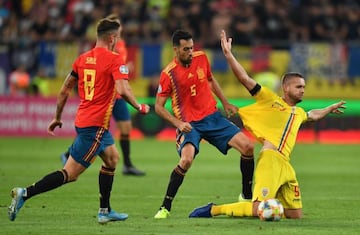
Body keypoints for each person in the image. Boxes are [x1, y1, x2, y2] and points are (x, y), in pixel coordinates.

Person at [188, 30, 346, 219]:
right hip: (271, 160)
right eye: (299, 87)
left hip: (286, 165)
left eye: (304, 87)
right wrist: (229, 55)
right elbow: (245, 79)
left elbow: (313, 115)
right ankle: (214, 209)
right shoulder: (271, 100)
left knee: (294, 215)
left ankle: (270, 205)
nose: (303, 90)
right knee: (258, 210)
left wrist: (329, 108)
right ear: (286, 88)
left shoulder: (298, 112)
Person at [8, 18, 150, 223]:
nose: (117, 40)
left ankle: (105, 210)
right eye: (117, 37)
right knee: (70, 174)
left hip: (86, 121)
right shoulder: (114, 59)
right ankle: (25, 193)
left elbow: (65, 90)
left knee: (112, 158)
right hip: (95, 126)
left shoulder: (82, 59)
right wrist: (139, 106)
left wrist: (57, 117)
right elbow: (122, 89)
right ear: (112, 38)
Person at [153, 29, 255, 219]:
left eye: (191, 48)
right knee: (186, 160)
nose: (190, 52)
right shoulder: (168, 74)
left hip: (212, 117)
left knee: (248, 147)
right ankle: (165, 207)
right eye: (185, 49)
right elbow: (158, 107)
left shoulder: (201, 58)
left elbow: (210, 80)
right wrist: (178, 123)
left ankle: (246, 196)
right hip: (190, 124)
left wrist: (225, 102)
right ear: (175, 50)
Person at [61, 14, 145, 176]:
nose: (120, 30)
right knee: (95, 130)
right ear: (111, 34)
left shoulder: (122, 45)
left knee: (125, 128)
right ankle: (70, 154)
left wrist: (125, 69)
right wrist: (138, 105)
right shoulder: (107, 48)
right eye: (117, 27)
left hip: (117, 95)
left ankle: (127, 164)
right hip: (107, 95)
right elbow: (107, 65)